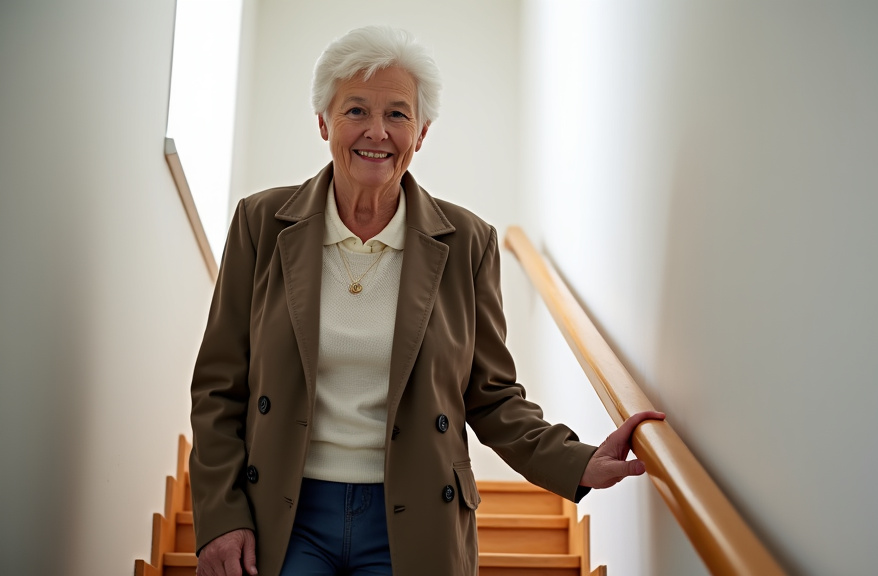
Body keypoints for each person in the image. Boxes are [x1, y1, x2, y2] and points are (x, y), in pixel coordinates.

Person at [189, 25, 664, 576]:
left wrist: (578, 461)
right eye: (355, 111)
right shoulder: (260, 223)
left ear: (422, 132)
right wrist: (221, 515)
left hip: (411, 518)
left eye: (397, 113)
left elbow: (491, 397)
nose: (377, 131)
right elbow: (219, 386)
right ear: (323, 122)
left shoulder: (468, 243)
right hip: (283, 509)